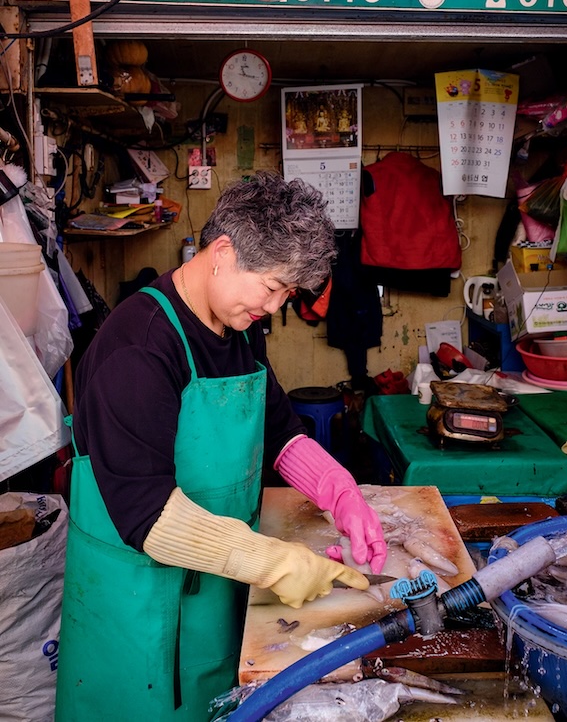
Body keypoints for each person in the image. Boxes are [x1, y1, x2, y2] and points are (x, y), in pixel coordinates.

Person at [55, 171, 387, 722]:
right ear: (223, 251)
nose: (277, 306)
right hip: (137, 604)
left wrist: (340, 491)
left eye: (287, 293)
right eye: (273, 286)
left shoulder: (241, 329)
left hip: (213, 584)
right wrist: (276, 561)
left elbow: (275, 426)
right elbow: (146, 515)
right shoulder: (139, 347)